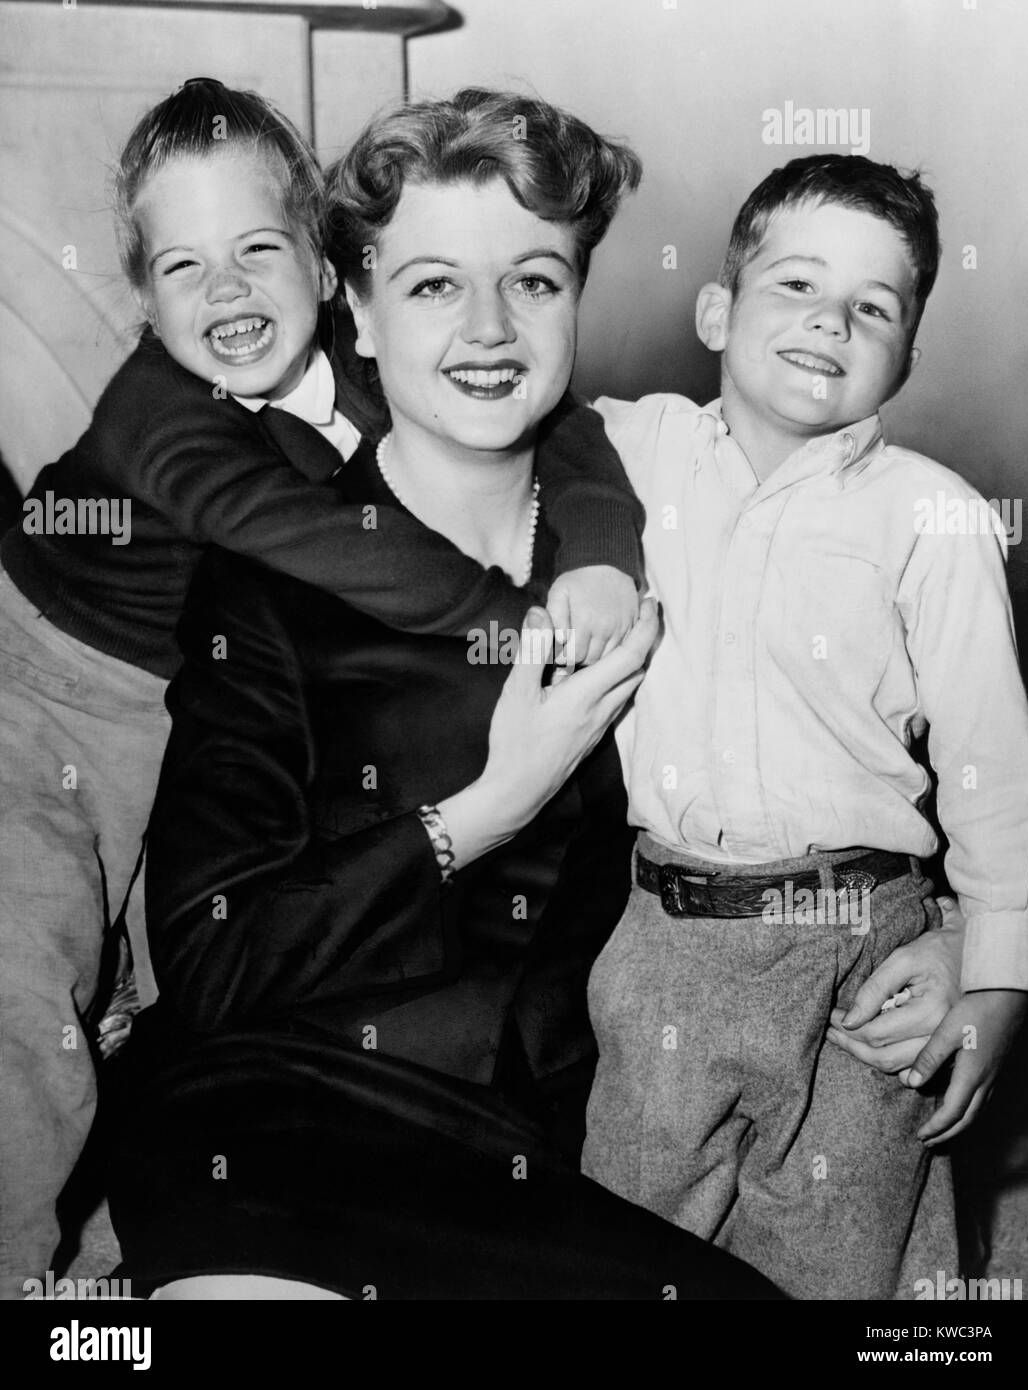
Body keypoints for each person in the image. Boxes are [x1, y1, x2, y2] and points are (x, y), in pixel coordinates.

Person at [106, 88, 785, 1300]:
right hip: (276, 1125)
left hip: (527, 1156)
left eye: (533, 280)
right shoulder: (266, 582)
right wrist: (485, 809)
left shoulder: (663, 529)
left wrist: (946, 944)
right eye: (430, 285)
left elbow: (841, 771)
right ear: (352, 310)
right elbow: (210, 963)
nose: (489, 326)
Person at [0, 78, 648, 1300]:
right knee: (22, 980)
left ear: (320, 264)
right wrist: (529, 639)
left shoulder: (366, 358)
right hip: (34, 694)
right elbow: (353, 553)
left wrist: (604, 553)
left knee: (144, 994)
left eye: (257, 249)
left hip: (157, 702)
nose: (227, 292)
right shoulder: (167, 427)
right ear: (140, 296)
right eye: (182, 267)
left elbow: (559, 422)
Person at [582, 154, 1028, 1300]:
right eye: (795, 285)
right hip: (666, 936)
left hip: (860, 943)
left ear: (906, 356)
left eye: (873, 307)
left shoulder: (931, 515)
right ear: (715, 309)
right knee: (619, 1242)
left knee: (843, 1252)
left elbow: (991, 759)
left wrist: (996, 975)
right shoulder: (628, 451)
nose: (831, 321)